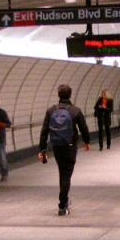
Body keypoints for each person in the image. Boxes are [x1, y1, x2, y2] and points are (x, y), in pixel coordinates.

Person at [39, 84, 90, 216]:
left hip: (57, 145)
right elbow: (84, 128)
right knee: (66, 175)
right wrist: (87, 142)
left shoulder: (51, 111)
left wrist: (42, 149)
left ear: (58, 95)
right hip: (70, 146)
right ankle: (62, 205)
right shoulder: (75, 111)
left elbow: (44, 131)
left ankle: (64, 201)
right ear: (70, 95)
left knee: (62, 172)